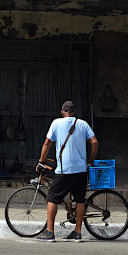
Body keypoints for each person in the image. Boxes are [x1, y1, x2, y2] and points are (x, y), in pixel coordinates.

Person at [35, 100, 97, 241]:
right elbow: (94, 142)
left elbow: (47, 143)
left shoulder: (56, 123)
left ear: (62, 112)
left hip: (64, 170)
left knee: (52, 198)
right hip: (81, 170)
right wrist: (90, 160)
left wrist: (41, 161)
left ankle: (50, 233)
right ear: (74, 112)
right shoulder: (83, 124)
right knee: (80, 200)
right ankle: (77, 232)